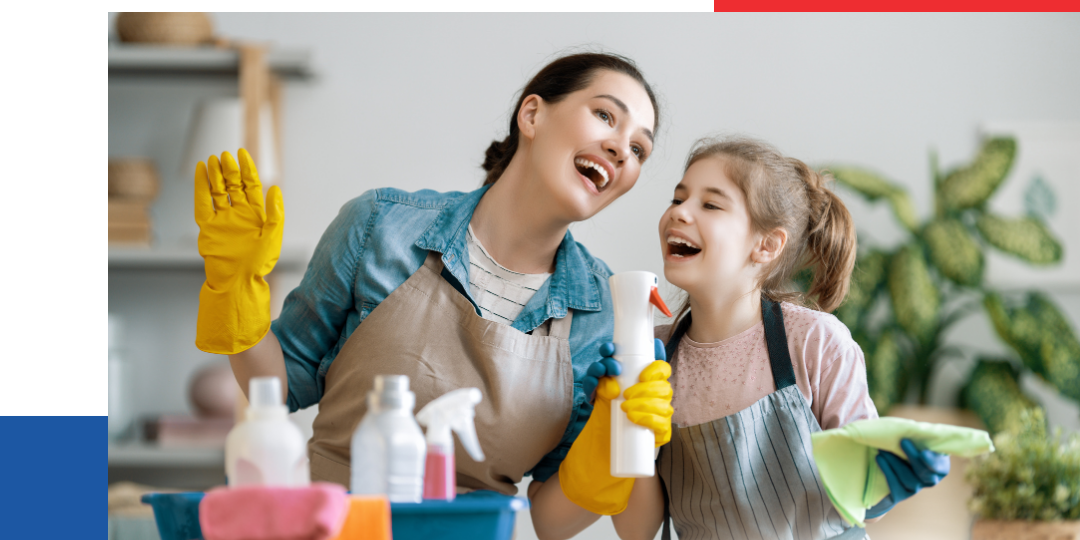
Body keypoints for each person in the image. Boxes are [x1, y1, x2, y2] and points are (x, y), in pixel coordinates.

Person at [191, 52, 665, 527]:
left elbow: (551, 521)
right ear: (533, 114)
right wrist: (236, 287)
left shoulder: (599, 311)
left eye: (639, 149)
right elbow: (279, 386)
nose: (622, 149)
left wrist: (610, 436)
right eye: (605, 115)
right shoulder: (381, 225)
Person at [567, 137, 951, 540]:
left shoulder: (816, 343)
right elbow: (638, 529)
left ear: (766, 245)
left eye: (710, 204)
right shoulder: (650, 357)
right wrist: (612, 421)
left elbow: (860, 497)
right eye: (678, 199)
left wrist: (890, 484)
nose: (679, 212)